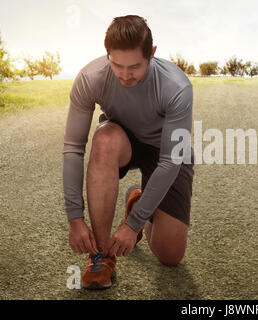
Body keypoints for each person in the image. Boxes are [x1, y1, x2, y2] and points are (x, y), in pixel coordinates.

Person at [62, 15, 195, 289]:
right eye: (116, 64)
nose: (124, 74)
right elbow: (73, 148)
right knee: (104, 138)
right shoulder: (90, 78)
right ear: (107, 54)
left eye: (134, 66)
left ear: (152, 54)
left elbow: (172, 160)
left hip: (167, 151)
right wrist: (75, 217)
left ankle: (139, 203)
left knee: (171, 255)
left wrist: (134, 224)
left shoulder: (177, 86)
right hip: (122, 140)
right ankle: (101, 256)